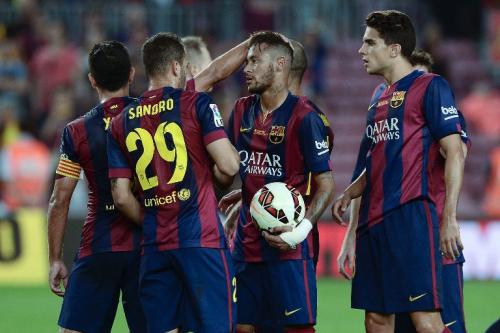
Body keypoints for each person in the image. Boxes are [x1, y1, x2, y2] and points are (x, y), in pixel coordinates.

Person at [332, 10, 465, 333]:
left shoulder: (430, 87)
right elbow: (378, 162)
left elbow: (455, 152)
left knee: (425, 320)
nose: (361, 51)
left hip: (410, 219)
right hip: (372, 224)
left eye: (369, 43)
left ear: (394, 49)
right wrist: (351, 192)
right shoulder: (378, 101)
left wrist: (448, 218)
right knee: (376, 320)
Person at [107, 32, 240, 333]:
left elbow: (122, 197)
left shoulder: (121, 121)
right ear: (178, 67)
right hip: (201, 240)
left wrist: (153, 217)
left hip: (155, 245)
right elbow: (229, 165)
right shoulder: (197, 104)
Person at [224, 31, 335, 333]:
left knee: (295, 328)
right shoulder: (240, 110)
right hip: (246, 244)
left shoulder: (306, 118)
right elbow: (235, 166)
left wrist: (302, 229)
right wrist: (243, 195)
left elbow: (325, 182)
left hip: (288, 247)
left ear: (280, 65)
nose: (245, 69)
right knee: (242, 327)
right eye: (246, 62)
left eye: (254, 61)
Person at [47, 41, 146, 333]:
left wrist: (55, 259)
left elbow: (59, 199)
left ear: (92, 80)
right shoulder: (155, 117)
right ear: (131, 74)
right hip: (149, 244)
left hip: (99, 244)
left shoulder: (76, 131)